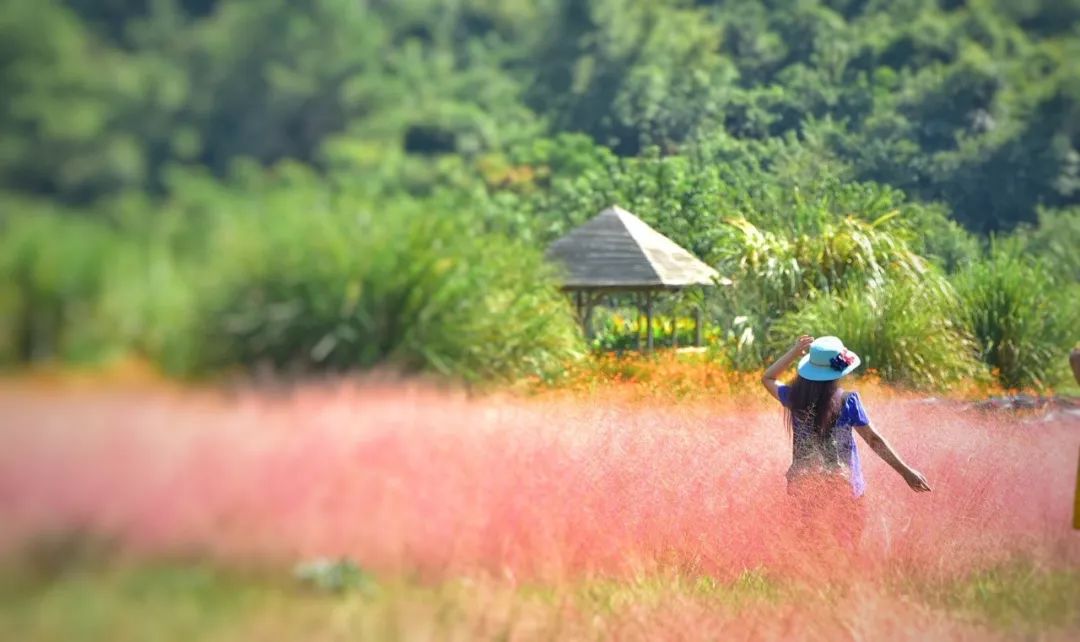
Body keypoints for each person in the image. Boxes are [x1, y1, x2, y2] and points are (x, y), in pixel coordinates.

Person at [761, 335, 931, 547]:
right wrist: (906, 472)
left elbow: (768, 378)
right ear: (837, 373)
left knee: (810, 545)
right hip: (843, 485)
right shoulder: (847, 401)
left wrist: (794, 352)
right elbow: (874, 440)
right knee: (846, 546)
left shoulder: (794, 398)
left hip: (805, 484)